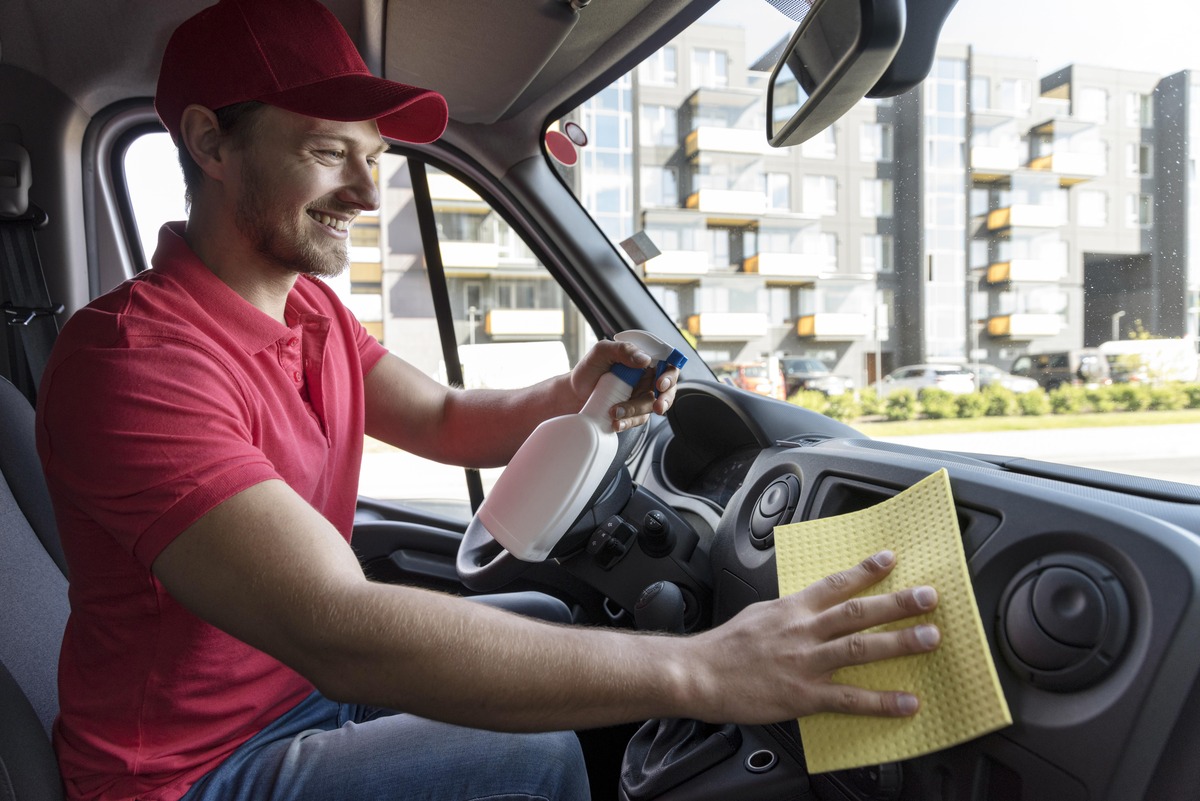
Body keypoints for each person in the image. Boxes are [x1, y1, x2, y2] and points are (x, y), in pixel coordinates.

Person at [34, 1, 942, 799]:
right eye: (325, 152)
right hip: (187, 771)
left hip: (295, 691)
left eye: (373, 157)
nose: (362, 189)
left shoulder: (308, 309)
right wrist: (702, 669)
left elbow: (440, 419)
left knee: (551, 619)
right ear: (209, 143)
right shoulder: (134, 364)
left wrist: (574, 389)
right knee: (537, 757)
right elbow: (337, 628)